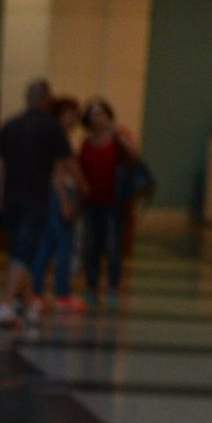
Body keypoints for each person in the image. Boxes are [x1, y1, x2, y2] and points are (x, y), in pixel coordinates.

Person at [0, 78, 73, 336]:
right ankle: (7, 304)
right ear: (47, 101)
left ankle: (28, 303)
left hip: (12, 199)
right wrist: (71, 195)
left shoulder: (10, 125)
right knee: (23, 253)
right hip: (36, 199)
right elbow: (61, 167)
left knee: (19, 251)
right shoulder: (52, 128)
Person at [78, 97, 136, 308]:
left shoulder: (118, 138)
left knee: (113, 246)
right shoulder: (86, 142)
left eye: (102, 113)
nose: (98, 118)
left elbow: (134, 155)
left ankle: (113, 287)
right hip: (91, 201)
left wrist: (117, 134)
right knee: (92, 246)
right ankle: (91, 286)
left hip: (113, 202)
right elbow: (80, 168)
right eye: (94, 114)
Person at [32, 96, 83, 314]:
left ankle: (36, 291)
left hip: (51, 194)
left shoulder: (51, 136)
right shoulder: (58, 138)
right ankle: (62, 294)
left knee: (47, 243)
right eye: (69, 114)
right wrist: (64, 200)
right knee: (63, 244)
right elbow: (58, 172)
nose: (72, 119)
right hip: (59, 194)